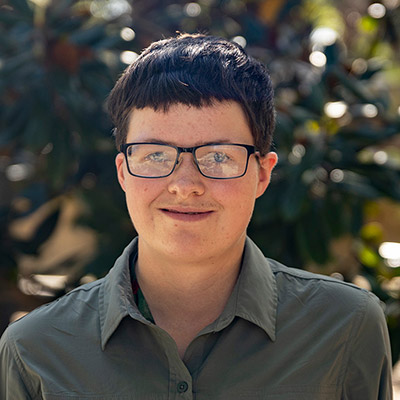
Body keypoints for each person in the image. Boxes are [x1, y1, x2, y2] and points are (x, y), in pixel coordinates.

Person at [0, 33, 393, 399]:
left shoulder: (347, 326)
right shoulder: (33, 349)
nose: (184, 184)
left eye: (219, 155)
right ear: (123, 172)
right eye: (155, 154)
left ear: (263, 173)